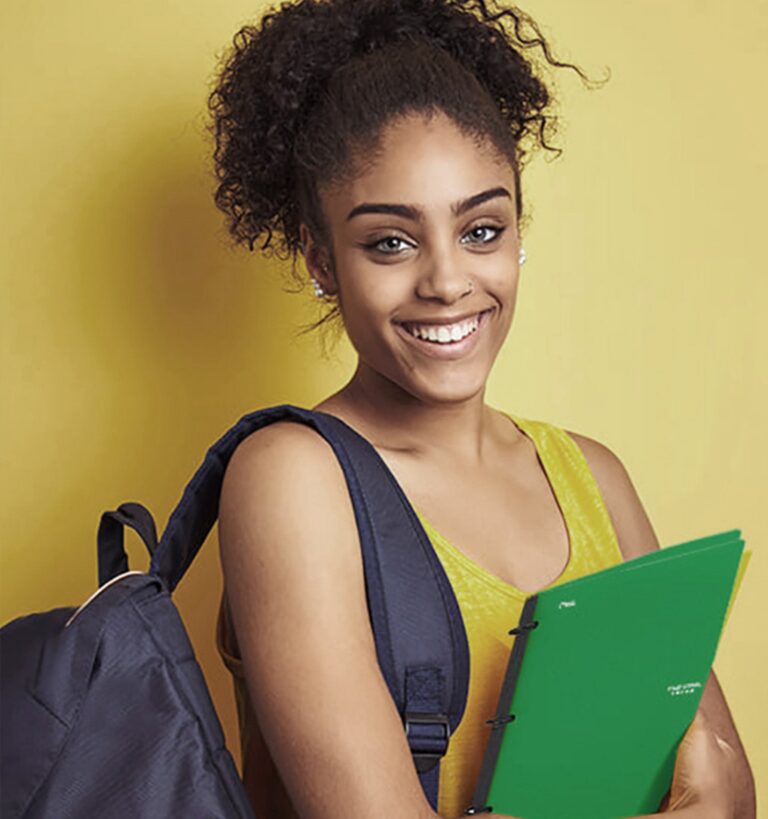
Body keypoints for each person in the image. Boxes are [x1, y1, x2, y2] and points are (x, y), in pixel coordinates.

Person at [208, 1, 756, 817]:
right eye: (390, 241)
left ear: (516, 233)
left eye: (481, 229)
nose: (448, 280)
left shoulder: (590, 474)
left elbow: (730, 789)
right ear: (321, 257)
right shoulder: (292, 477)